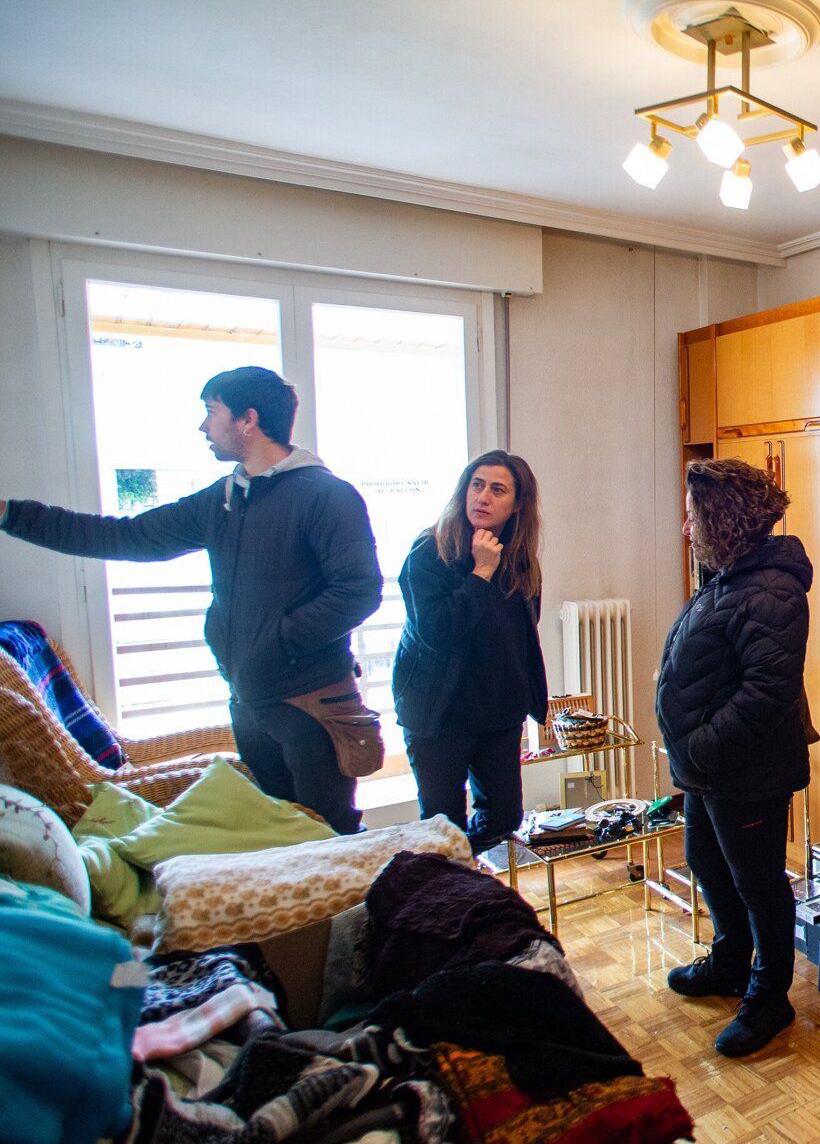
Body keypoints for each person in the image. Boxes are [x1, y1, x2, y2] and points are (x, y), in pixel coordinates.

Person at [0, 366, 381, 832]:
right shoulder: (223, 499)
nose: (203, 426)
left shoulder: (327, 495)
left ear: (247, 419)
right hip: (249, 703)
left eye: (211, 411)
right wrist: (10, 515)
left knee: (333, 836)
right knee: (284, 836)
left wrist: (278, 640)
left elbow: (358, 590)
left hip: (310, 707)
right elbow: (128, 536)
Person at [655, 457, 812, 1058]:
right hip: (710, 770)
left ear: (720, 522)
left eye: (692, 517)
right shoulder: (731, 579)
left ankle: (769, 997)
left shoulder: (771, 590)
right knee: (705, 858)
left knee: (759, 883)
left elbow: (766, 692)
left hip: (743, 770)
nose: (686, 529)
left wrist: (699, 745)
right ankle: (728, 961)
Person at [391, 451, 548, 854]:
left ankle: (473, 876)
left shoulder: (519, 559)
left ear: (517, 504)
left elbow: (524, 629)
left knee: (504, 819)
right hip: (439, 714)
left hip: (497, 714)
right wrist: (480, 573)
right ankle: (455, 890)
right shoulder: (430, 552)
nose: (483, 497)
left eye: (498, 490)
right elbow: (437, 633)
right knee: (443, 828)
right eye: (477, 485)